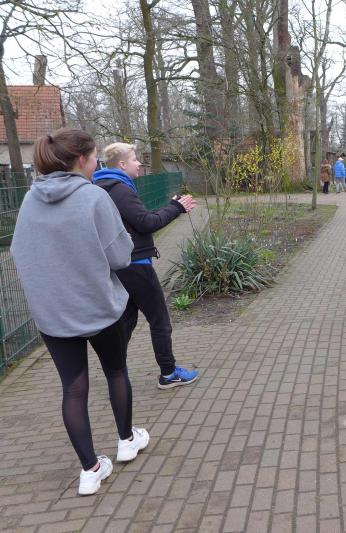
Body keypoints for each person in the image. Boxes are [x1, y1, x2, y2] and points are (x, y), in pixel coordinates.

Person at [10, 128, 149, 496]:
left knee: (73, 389)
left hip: (53, 315)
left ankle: (90, 470)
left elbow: (19, 252)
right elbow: (119, 257)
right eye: (94, 158)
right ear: (82, 160)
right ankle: (126, 440)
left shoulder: (30, 199)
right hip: (99, 308)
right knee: (116, 372)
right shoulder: (94, 197)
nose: (96, 164)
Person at [93, 143, 199, 390]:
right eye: (134, 159)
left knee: (126, 324)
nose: (139, 163)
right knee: (159, 320)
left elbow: (137, 220)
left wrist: (170, 206)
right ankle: (169, 373)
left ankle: (116, 377)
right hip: (136, 265)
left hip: (121, 266)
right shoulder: (120, 189)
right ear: (122, 164)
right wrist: (177, 208)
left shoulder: (103, 187)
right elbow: (146, 223)